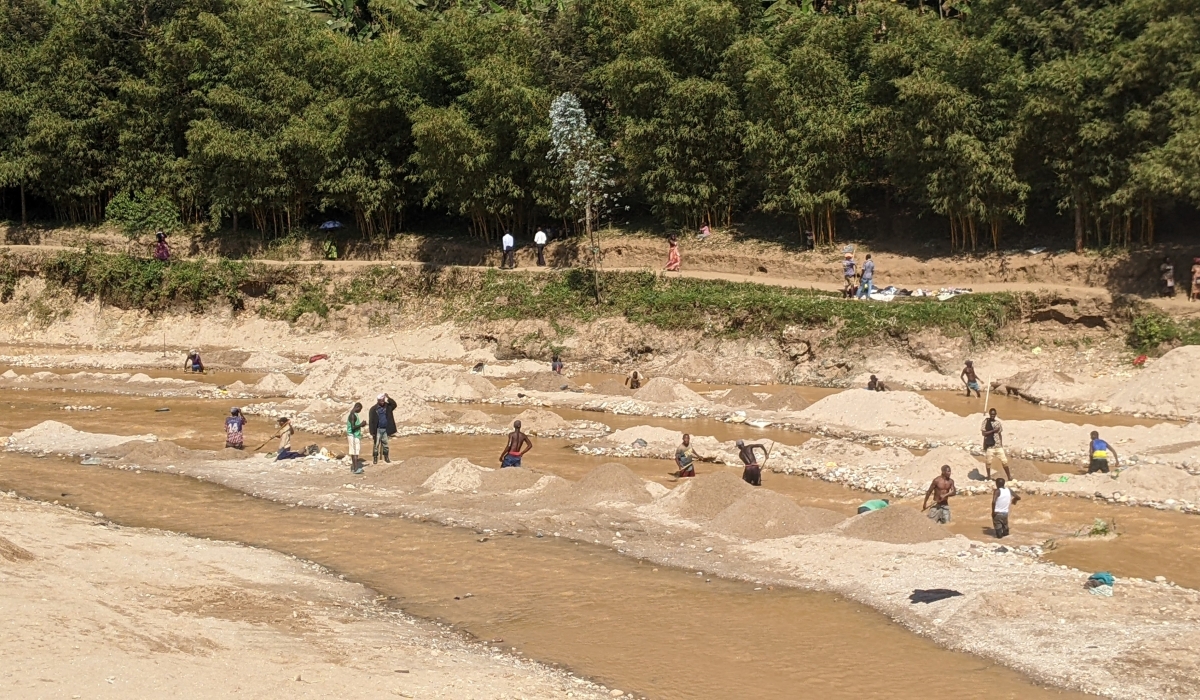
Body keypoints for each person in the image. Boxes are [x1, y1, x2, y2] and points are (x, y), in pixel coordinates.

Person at [981, 408, 1010, 480]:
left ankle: (1009, 477)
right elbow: (984, 433)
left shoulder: (998, 423)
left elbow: (1000, 434)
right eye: (991, 414)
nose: (992, 416)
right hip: (990, 446)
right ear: (989, 414)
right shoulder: (985, 422)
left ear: (995, 415)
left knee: (1004, 461)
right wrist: (993, 430)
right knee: (988, 462)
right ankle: (988, 477)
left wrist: (1001, 443)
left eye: (994, 414)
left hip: (998, 445)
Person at [368, 393, 397, 464]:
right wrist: (372, 432)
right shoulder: (373, 409)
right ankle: (375, 458)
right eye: (381, 400)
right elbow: (371, 421)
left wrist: (388, 397)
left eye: (383, 400)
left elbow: (394, 405)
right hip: (377, 429)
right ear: (378, 400)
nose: (382, 402)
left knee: (385, 444)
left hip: (385, 429)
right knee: (376, 445)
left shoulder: (388, 407)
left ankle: (386, 457)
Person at [346, 402, 365, 474]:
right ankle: (356, 469)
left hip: (355, 435)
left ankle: (354, 467)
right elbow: (353, 427)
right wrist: (361, 425)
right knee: (355, 452)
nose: (360, 411)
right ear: (357, 407)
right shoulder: (352, 415)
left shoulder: (354, 414)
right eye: (360, 409)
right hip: (353, 435)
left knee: (354, 452)